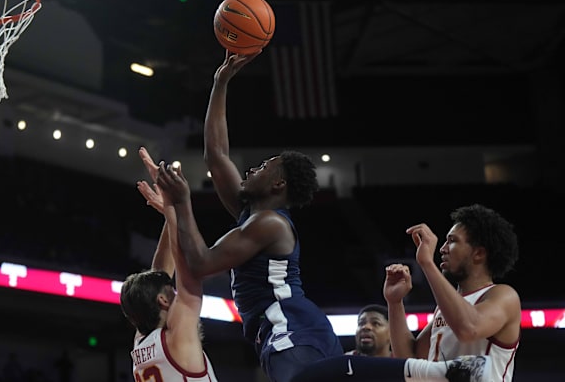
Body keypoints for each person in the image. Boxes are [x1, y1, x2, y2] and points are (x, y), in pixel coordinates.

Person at [154, 50, 493, 382]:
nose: (253, 168)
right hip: (288, 333)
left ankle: (444, 373)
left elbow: (199, 263)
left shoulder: (268, 224)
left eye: (265, 166)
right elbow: (216, 154)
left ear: (278, 183)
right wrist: (221, 81)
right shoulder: (251, 213)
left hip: (292, 330)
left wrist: (181, 203)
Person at [384, 204, 521, 381]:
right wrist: (395, 303)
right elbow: (410, 359)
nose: (442, 249)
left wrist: (427, 264)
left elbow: (469, 328)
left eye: (452, 241)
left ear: (478, 253)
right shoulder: (446, 308)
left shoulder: (503, 296)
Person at [119, 147, 218, 382]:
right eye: (171, 290)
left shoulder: (142, 343)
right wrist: (176, 206)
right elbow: (188, 272)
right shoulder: (178, 338)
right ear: (162, 300)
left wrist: (169, 216)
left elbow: (160, 274)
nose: (175, 289)